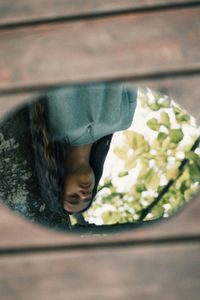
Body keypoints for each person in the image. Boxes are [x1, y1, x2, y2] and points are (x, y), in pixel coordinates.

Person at [29, 82, 137, 215]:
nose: (84, 195)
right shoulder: (123, 121)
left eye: (73, 197)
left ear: (57, 185)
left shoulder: (52, 128)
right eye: (87, 198)